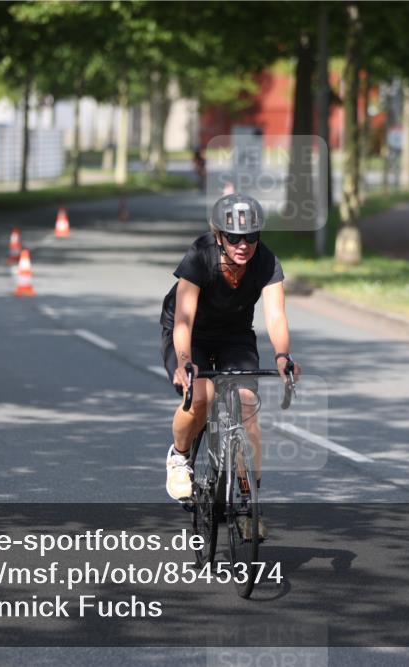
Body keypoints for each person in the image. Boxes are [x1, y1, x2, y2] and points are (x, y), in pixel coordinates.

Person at [159, 193, 300, 539]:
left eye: (251, 237)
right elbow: (184, 318)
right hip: (191, 334)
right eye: (234, 237)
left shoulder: (266, 262)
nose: (243, 245)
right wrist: (184, 362)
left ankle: (248, 503)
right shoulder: (200, 256)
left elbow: (276, 315)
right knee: (203, 396)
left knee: (248, 402)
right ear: (219, 235)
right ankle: (179, 457)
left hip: (235, 334)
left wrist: (282, 356)